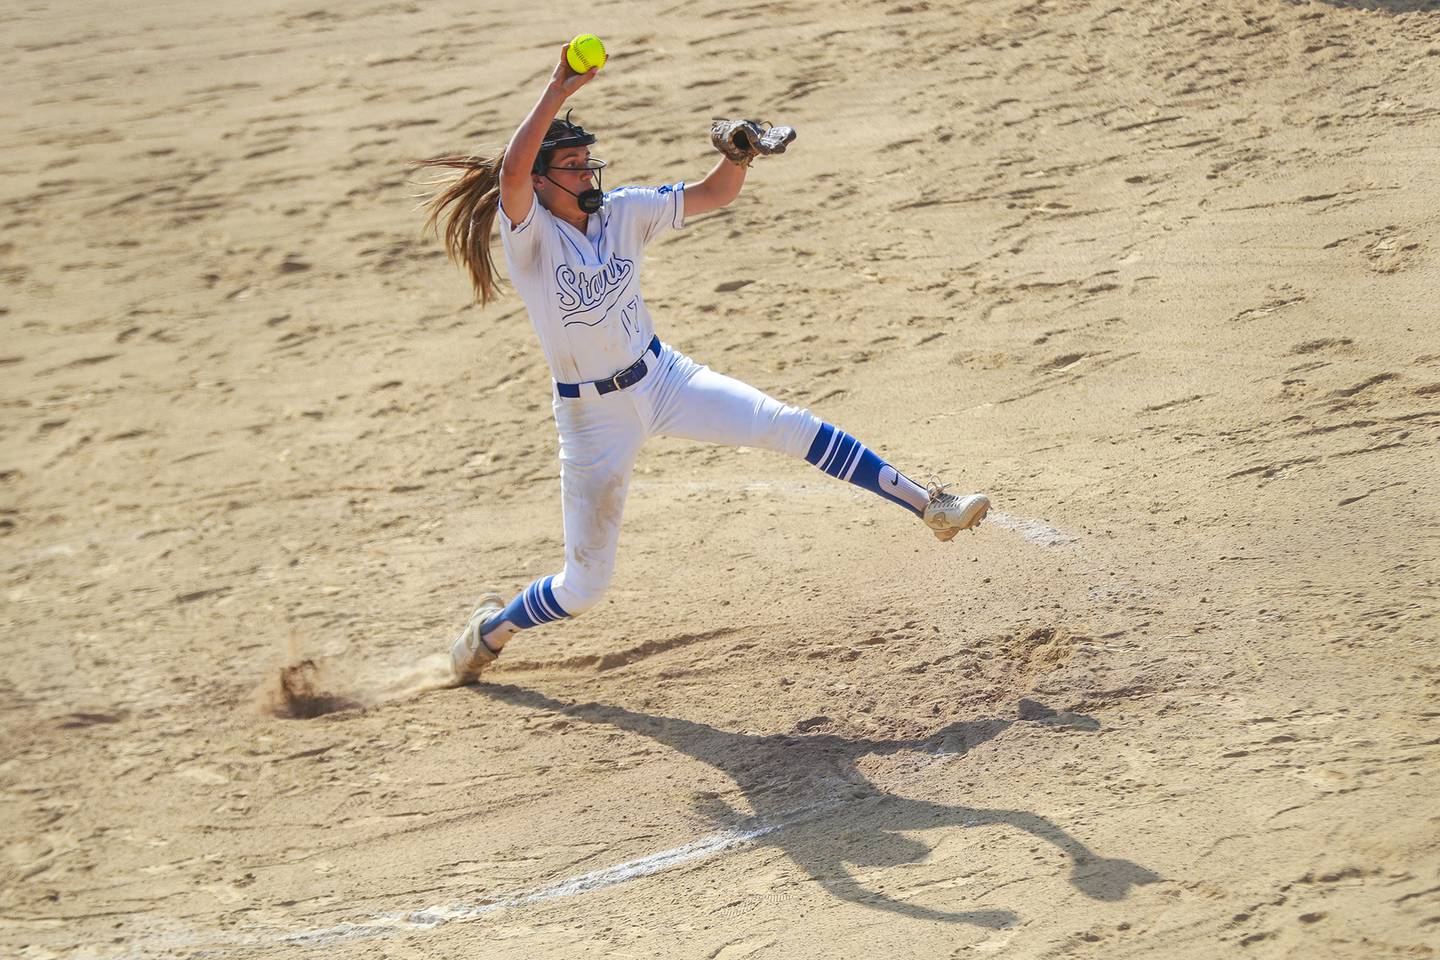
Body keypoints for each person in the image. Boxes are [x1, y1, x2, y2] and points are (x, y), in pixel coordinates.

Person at [417, 44, 991, 684]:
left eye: (587, 162)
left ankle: (929, 504)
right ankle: (492, 630)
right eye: (572, 167)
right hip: (592, 419)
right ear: (543, 182)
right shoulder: (530, 237)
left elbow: (716, 193)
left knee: (786, 424)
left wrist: (736, 156)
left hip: (664, 379)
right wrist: (558, 85)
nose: (587, 174)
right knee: (584, 587)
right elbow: (512, 175)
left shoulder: (625, 211)